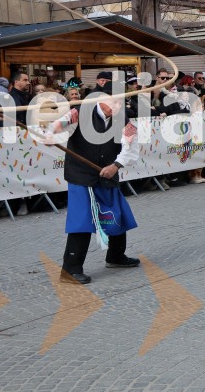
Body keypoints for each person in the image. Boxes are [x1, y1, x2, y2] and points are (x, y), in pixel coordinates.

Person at [48, 83, 140, 284]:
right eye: (113, 100)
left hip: (107, 174)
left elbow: (132, 147)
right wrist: (51, 134)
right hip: (81, 176)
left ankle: (116, 256)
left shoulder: (123, 120)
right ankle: (70, 269)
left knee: (117, 214)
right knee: (82, 220)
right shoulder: (79, 112)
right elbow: (59, 125)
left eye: (120, 101)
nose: (117, 105)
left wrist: (116, 165)